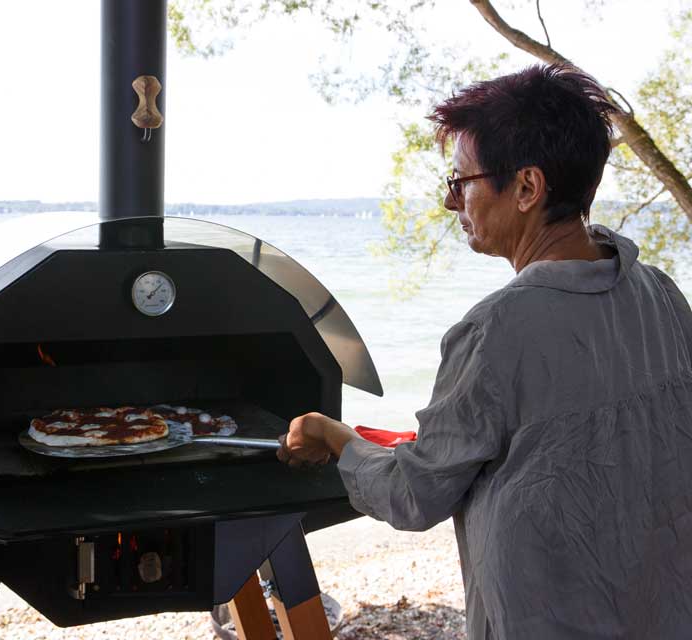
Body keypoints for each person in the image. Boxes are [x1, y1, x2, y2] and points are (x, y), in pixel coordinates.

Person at [278, 64, 692, 639]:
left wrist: (333, 437)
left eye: (461, 181)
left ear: (527, 187)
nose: (453, 203)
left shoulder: (496, 330)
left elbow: (415, 494)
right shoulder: (663, 296)